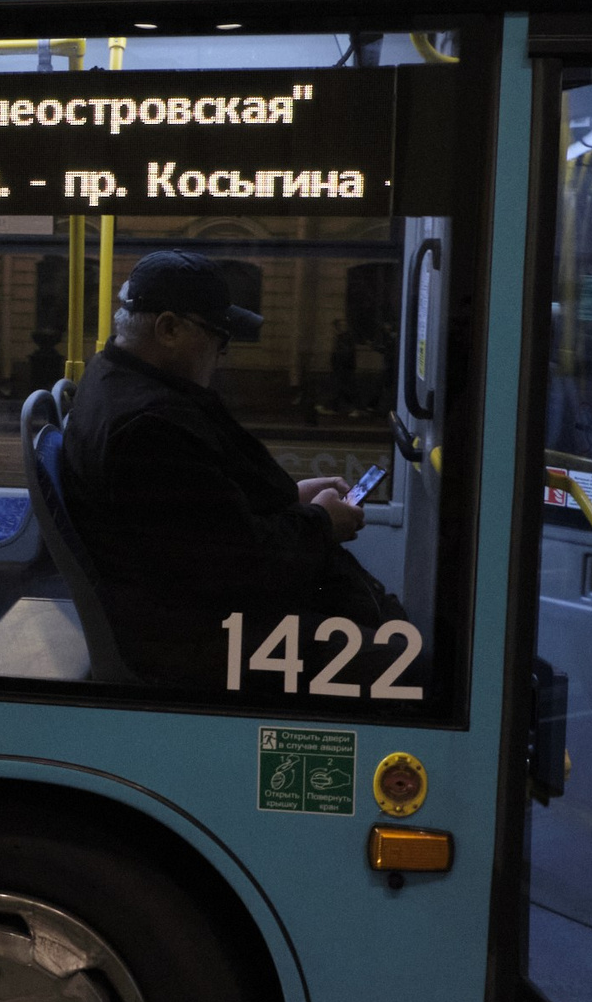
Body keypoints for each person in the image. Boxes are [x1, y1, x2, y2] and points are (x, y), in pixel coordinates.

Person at [58, 250, 403, 690]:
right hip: (202, 643)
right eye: (219, 337)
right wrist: (320, 522)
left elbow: (202, 525)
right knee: (406, 663)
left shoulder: (121, 385)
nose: (223, 353)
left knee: (384, 629)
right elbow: (240, 565)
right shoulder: (148, 428)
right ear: (168, 329)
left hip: (194, 616)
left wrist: (292, 499)